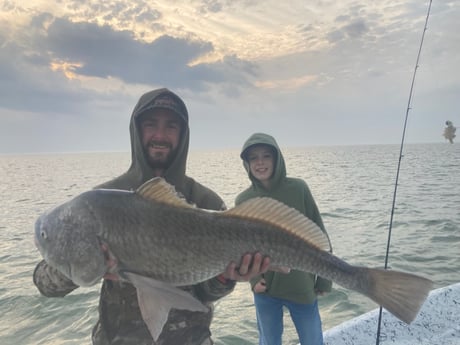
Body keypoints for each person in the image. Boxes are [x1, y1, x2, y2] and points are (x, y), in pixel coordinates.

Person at [33, 88, 270, 345]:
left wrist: (227, 277)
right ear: (137, 131)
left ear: (183, 135)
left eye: (171, 126)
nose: (160, 135)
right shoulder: (102, 201)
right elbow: (45, 285)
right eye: (150, 124)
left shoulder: (205, 202)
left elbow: (207, 292)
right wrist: (84, 260)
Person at [235, 133, 332, 345]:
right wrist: (253, 281)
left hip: (301, 285)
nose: (260, 163)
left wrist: (324, 278)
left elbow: (319, 231)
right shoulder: (243, 200)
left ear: (277, 158)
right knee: (269, 341)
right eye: (253, 158)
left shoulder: (299, 189)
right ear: (247, 164)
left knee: (312, 339)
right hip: (266, 289)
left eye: (266, 156)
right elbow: (241, 249)